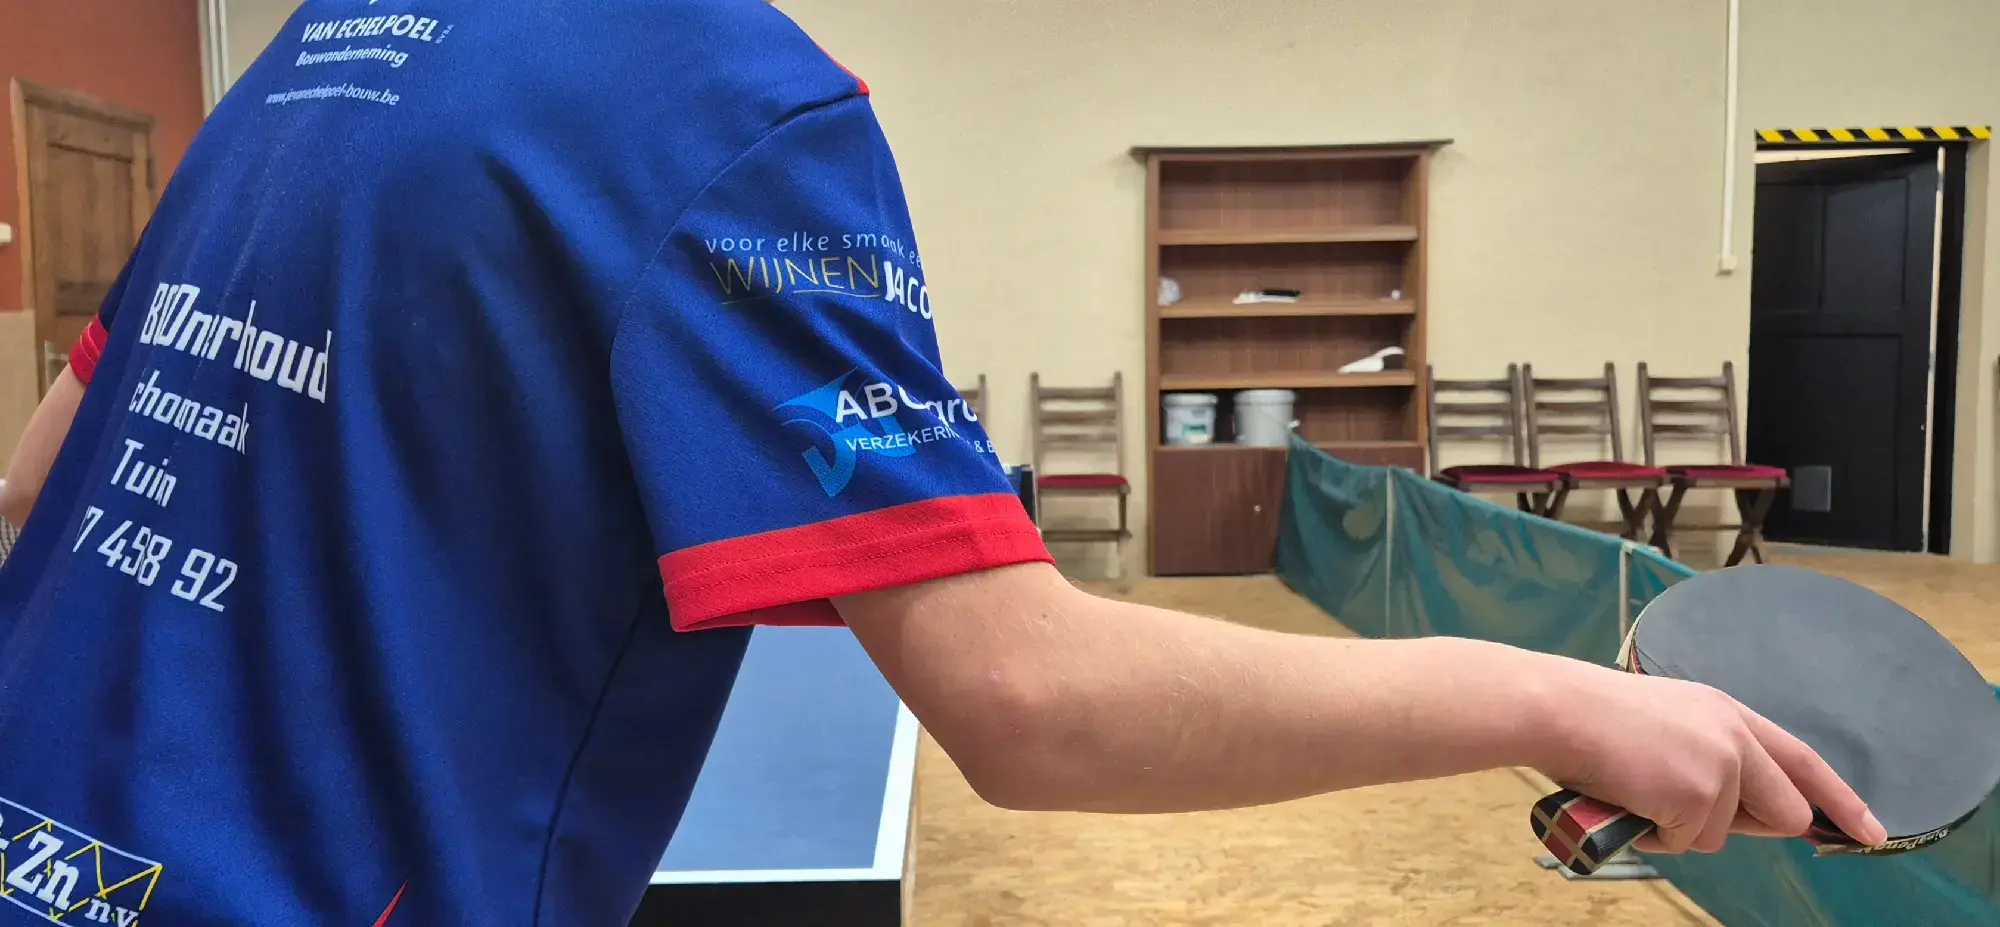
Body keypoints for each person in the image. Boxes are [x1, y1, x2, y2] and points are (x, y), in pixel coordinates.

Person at [0, 1, 1883, 924]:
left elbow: (39, 485)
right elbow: (1029, 700)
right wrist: (1558, 694)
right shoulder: (733, 108)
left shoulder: (307, 54)